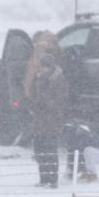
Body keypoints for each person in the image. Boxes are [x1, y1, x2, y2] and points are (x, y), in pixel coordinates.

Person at [31, 54, 68, 187]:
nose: (41, 70)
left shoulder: (58, 80)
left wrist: (44, 102)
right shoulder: (39, 79)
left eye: (44, 67)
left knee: (50, 151)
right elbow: (36, 97)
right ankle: (43, 179)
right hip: (39, 121)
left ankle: (52, 180)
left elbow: (60, 103)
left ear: (50, 67)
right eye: (41, 67)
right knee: (40, 151)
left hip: (51, 122)